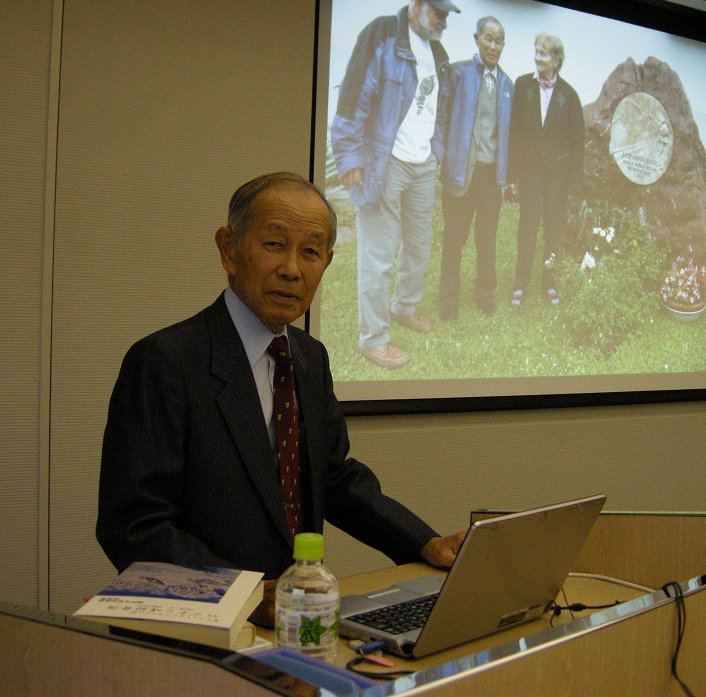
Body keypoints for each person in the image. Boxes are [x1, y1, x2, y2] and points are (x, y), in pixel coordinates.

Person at [96, 172, 465, 625]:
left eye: (310, 252)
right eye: (274, 244)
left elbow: (331, 477)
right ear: (229, 250)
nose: (292, 269)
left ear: (326, 263)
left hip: (291, 628)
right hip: (195, 637)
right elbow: (134, 526)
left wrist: (423, 542)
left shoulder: (309, 357)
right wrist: (242, 595)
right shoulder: (165, 361)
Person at [330, 0, 460, 369]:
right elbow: (353, 96)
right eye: (439, 13)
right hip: (384, 162)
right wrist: (350, 158)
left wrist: (435, 150)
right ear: (417, 5)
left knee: (419, 245)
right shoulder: (382, 34)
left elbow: (439, 107)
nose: (444, 22)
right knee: (379, 255)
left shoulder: (438, 52)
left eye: (447, 15)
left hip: (422, 163)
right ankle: (373, 338)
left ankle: (403, 306)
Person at [436, 16, 514, 319]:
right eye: (488, 39)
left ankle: (485, 293)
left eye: (499, 41)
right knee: (454, 238)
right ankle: (448, 300)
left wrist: (507, 175)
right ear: (476, 39)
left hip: (490, 177)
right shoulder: (458, 74)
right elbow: (442, 117)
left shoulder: (507, 84)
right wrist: (442, 156)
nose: (494, 46)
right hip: (461, 174)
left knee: (487, 238)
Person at [507, 33, 585, 308]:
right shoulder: (522, 85)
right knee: (527, 227)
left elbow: (577, 145)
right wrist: (512, 175)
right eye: (537, 52)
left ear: (557, 60)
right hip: (530, 172)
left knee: (553, 228)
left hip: (556, 177)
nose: (538, 58)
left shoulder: (569, 96)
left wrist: (573, 185)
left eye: (544, 53)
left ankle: (549, 282)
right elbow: (514, 133)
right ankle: (520, 282)